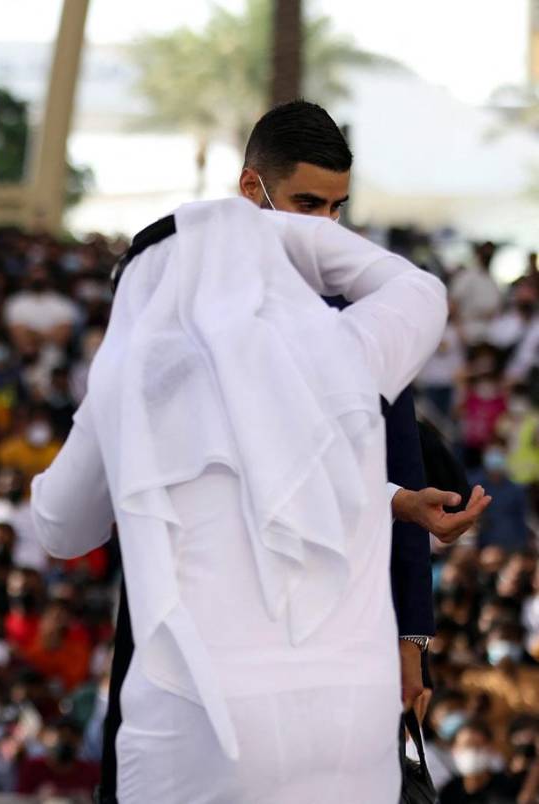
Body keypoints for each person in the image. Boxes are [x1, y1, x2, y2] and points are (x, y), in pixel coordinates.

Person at [93, 100, 490, 804]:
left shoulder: (360, 304)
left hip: (328, 627)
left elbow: (396, 463)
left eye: (337, 207)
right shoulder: (171, 288)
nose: (325, 225)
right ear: (253, 189)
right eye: (307, 202)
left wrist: (412, 643)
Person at [32, 197, 449, 800]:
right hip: (348, 723)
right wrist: (269, 232)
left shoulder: (130, 390)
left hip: (202, 731)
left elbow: (59, 528)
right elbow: (418, 288)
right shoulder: (346, 353)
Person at [439, 721, 518, 803]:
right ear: (454, 750)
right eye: (466, 745)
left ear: (490, 748)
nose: (472, 751)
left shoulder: (508, 788)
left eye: (478, 746)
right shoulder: (448, 792)